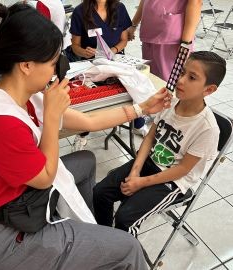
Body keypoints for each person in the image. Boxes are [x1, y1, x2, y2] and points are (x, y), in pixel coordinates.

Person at [0, 3, 172, 270]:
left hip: (17, 202)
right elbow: (45, 177)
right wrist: (51, 118)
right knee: (127, 247)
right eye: (52, 64)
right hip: (3, 233)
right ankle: (93, 249)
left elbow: (89, 121)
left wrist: (143, 108)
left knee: (85, 161)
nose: (55, 72)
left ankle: (89, 243)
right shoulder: (0, 123)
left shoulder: (15, 93)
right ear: (26, 65)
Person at [93, 51, 226, 237]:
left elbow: (182, 170)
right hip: (150, 163)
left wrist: (140, 183)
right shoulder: (171, 103)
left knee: (125, 219)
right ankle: (105, 238)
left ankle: (125, 259)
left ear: (209, 90)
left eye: (192, 77)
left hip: (174, 181)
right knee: (100, 192)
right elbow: (149, 138)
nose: (180, 80)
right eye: (182, 72)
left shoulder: (207, 129)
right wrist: (134, 171)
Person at [68, 0, 132, 151]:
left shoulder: (119, 8)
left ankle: (138, 123)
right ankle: (82, 134)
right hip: (90, 65)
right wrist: (84, 52)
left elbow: (124, 40)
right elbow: (75, 46)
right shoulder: (80, 11)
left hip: (114, 61)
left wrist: (114, 50)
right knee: (91, 100)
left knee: (128, 91)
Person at [128, 0, 202, 82]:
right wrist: (133, 25)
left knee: (169, 83)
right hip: (150, 31)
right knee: (151, 78)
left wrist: (186, 42)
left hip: (171, 38)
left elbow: (196, 2)